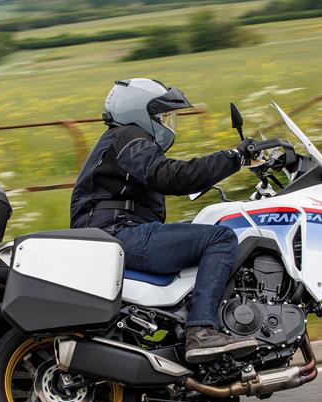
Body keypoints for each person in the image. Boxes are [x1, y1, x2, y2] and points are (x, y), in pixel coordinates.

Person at [70, 78, 259, 364]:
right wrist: (234, 157)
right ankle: (201, 331)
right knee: (220, 237)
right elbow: (170, 176)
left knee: (200, 231)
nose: (167, 124)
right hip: (118, 233)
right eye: (162, 117)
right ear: (137, 112)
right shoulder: (129, 136)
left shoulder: (121, 140)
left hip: (115, 231)